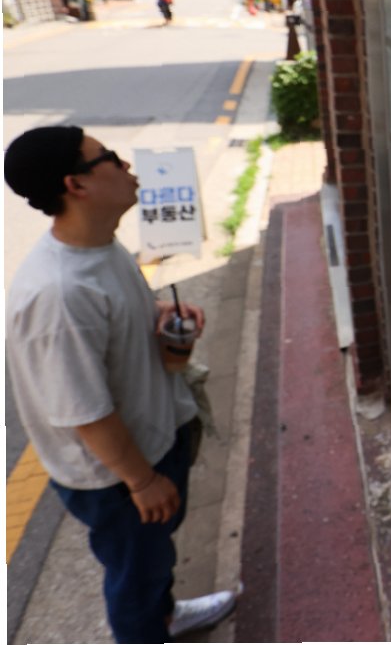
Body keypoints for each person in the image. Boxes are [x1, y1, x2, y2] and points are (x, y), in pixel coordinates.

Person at [4, 126, 237, 643]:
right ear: (77, 184)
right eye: (108, 156)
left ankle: (166, 616)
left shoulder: (100, 247)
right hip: (116, 475)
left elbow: (115, 326)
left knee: (154, 558)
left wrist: (161, 318)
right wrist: (142, 481)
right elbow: (84, 411)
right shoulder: (58, 295)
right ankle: (148, 627)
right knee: (135, 578)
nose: (126, 164)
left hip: (149, 444)